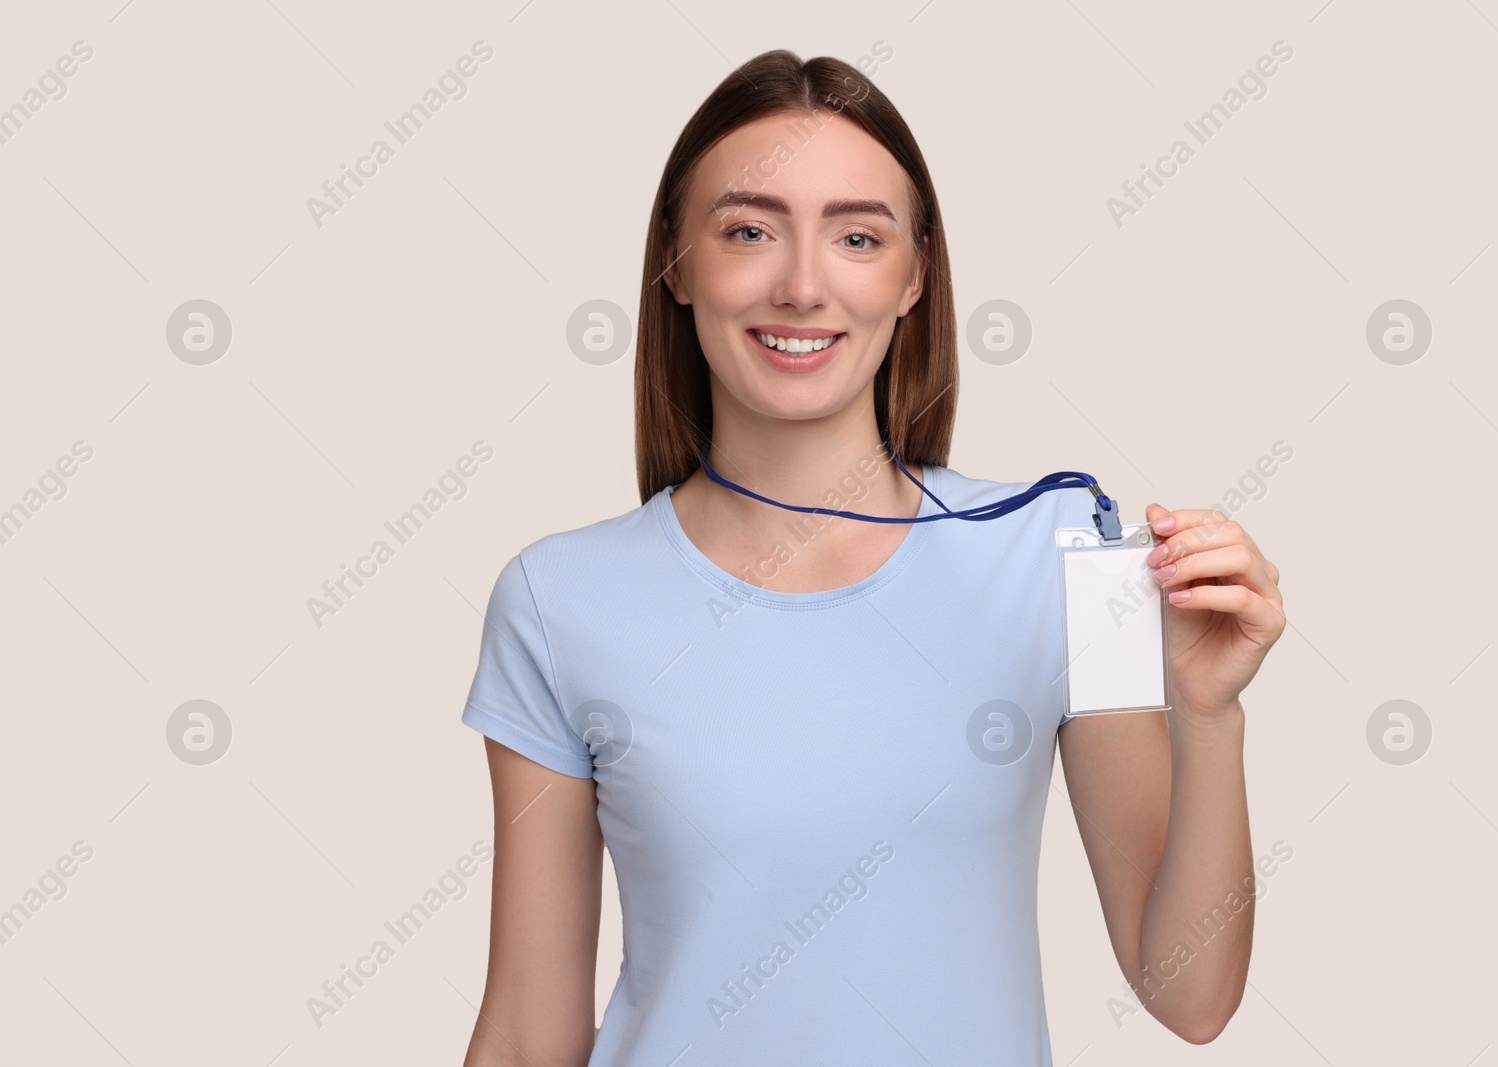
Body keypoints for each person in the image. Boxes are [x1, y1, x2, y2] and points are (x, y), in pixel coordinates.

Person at [458, 49, 1285, 1067]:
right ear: (676, 265)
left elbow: (1189, 994)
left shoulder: (1061, 556)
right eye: (749, 230)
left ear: (912, 277)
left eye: (856, 236)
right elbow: (528, 1035)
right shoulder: (558, 600)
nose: (802, 285)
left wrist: (1208, 713)